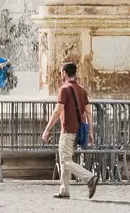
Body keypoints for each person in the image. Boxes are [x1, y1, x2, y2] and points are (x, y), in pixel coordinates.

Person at [42, 59, 100, 200]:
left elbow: (57, 111)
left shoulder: (64, 89)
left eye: (61, 72)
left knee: (66, 160)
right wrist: (90, 132)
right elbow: (89, 113)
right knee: (64, 159)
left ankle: (89, 178)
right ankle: (64, 190)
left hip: (68, 129)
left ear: (65, 73)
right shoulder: (82, 90)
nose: (61, 75)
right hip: (79, 130)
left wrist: (47, 129)